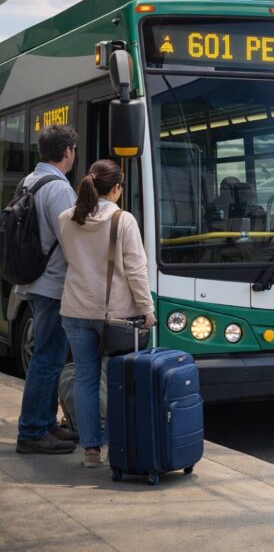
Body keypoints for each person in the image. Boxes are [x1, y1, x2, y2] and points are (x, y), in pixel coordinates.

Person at [58, 160, 155, 468]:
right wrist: (147, 309)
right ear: (115, 189)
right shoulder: (123, 220)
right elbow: (136, 271)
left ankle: (90, 451)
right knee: (117, 382)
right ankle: (117, 446)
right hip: (115, 315)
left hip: (75, 309)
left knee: (85, 380)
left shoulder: (66, 219)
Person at [15, 125, 79, 455]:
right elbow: (72, 239)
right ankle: (34, 430)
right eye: (74, 149)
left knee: (47, 355)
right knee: (48, 358)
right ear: (67, 151)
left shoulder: (30, 180)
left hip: (34, 280)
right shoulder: (59, 189)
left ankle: (46, 423)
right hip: (53, 283)